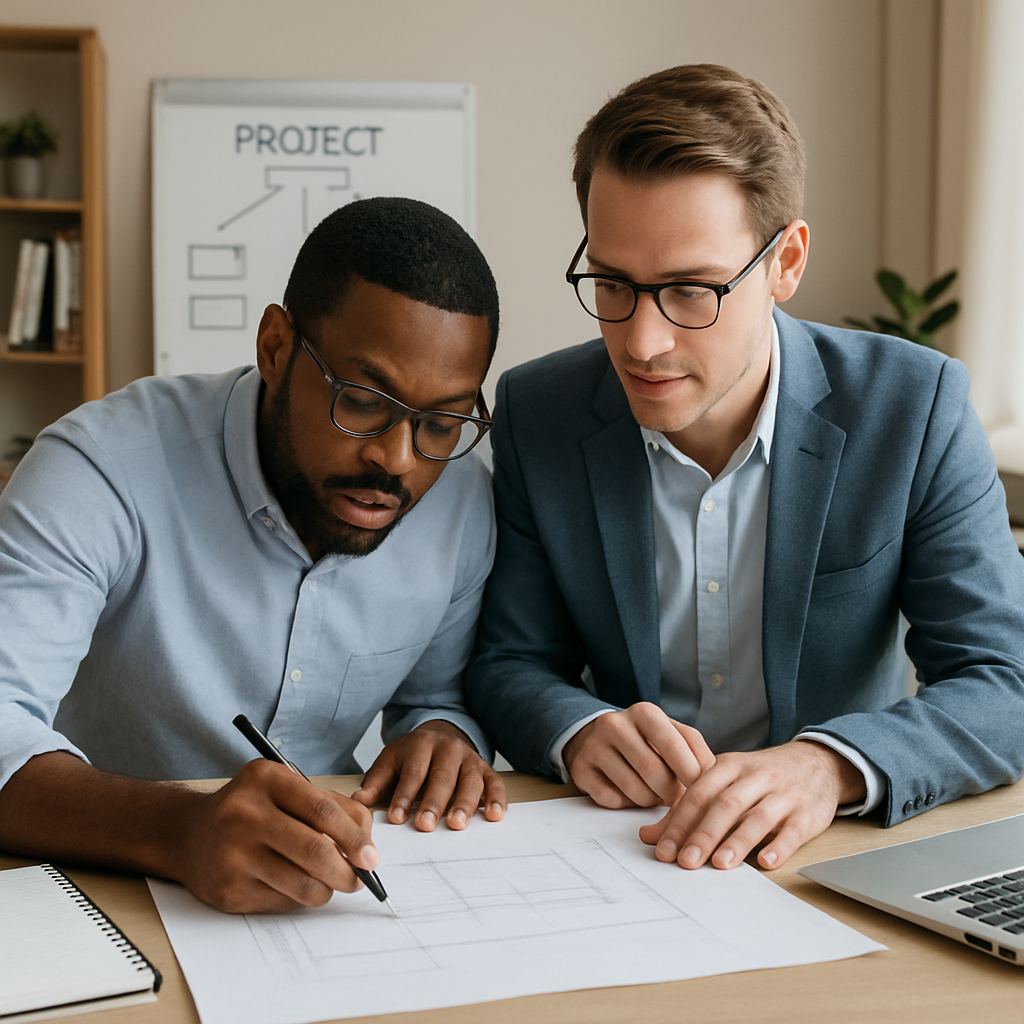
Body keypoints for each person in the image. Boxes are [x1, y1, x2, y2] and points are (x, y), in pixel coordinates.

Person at [466, 64, 1024, 874]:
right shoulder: (538, 410)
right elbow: (509, 660)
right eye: (613, 283)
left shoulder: (913, 407)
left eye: (692, 290)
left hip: (831, 857)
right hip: (624, 850)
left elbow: (1004, 682)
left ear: (785, 263)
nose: (641, 343)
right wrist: (576, 728)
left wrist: (828, 766)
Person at [0, 197, 507, 913]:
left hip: (322, 897)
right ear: (275, 347)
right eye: (363, 401)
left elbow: (435, 696)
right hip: (100, 889)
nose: (397, 460)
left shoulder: (460, 498)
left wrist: (442, 735)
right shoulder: (101, 467)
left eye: (443, 422)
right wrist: (177, 830)